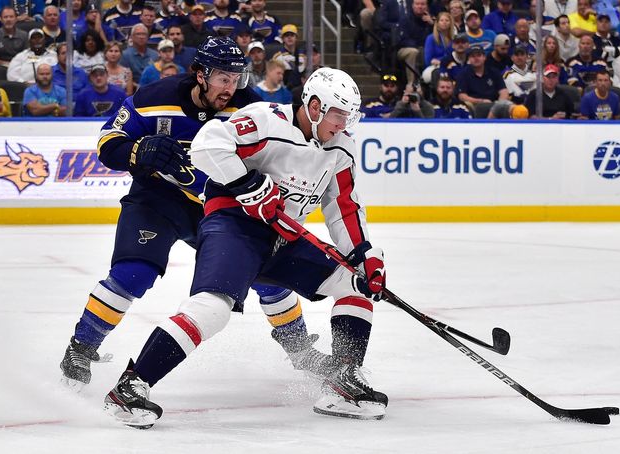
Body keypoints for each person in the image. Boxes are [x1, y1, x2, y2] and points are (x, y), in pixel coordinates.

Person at [103, 66, 389, 428]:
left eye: (349, 117)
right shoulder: (267, 120)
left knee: (356, 281)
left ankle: (344, 381)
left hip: (283, 237)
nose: (344, 124)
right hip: (234, 228)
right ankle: (131, 386)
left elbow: (344, 207)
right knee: (212, 310)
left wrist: (363, 255)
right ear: (314, 107)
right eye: (338, 114)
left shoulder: (340, 146)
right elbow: (209, 144)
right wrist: (249, 184)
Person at [60, 37, 328, 391]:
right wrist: (137, 151)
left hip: (218, 205)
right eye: (222, 78)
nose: (231, 88)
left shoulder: (250, 107)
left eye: (237, 78)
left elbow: (277, 158)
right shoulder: (155, 98)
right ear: (200, 74)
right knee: (133, 273)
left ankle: (299, 348)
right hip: (157, 200)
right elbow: (108, 143)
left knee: (268, 273)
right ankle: (81, 347)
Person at [272, 24, 306, 90]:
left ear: (296, 38)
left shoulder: (304, 55)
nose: (289, 38)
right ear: (283, 39)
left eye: (292, 35)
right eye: (287, 35)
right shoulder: (277, 57)